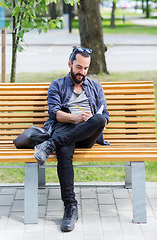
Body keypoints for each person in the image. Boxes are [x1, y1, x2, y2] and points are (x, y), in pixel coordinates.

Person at [34, 46, 109, 232]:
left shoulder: (95, 86)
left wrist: (93, 120)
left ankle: (50, 144)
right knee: (64, 150)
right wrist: (76, 118)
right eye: (78, 67)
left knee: (98, 119)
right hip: (65, 129)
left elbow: (104, 116)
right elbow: (54, 114)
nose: (82, 72)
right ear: (70, 64)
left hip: (87, 134)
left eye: (85, 68)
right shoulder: (57, 85)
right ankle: (71, 207)